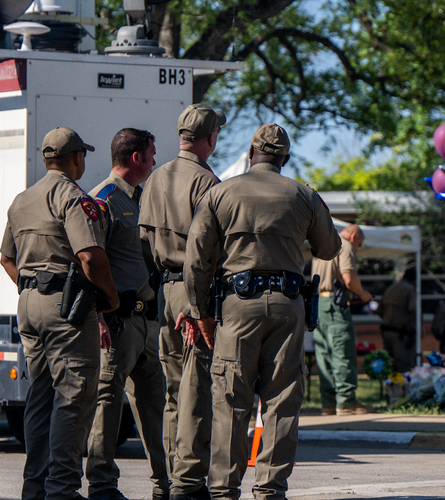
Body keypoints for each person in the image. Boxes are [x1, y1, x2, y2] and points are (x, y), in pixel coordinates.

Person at [182, 123, 341, 499]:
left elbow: (196, 261)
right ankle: (270, 491)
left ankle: (223, 491)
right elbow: (329, 248)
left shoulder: (220, 192)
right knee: (282, 402)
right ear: (284, 158)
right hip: (288, 305)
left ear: (251, 153)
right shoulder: (304, 194)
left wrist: (200, 311)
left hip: (238, 305)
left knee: (231, 401)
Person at [0, 127, 119, 500]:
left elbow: (6, 259)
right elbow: (89, 256)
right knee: (75, 395)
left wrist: (35, 288)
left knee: (41, 396)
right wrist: (109, 298)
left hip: (29, 304)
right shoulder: (71, 196)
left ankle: (35, 486)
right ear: (76, 158)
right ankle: (62, 489)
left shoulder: (22, 199)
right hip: (65, 308)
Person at [138, 103, 225, 500]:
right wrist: (198, 305)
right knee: (196, 389)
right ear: (209, 139)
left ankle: (172, 479)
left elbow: (141, 241)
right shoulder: (206, 181)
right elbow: (206, 250)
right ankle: (189, 483)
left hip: (165, 289)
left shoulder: (155, 177)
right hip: (194, 292)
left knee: (174, 390)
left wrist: (162, 289)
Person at [85, 129, 168, 500]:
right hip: (117, 324)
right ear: (136, 157)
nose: (154, 159)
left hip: (147, 321)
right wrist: (99, 315)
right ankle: (102, 485)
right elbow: (86, 259)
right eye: (151, 153)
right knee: (108, 404)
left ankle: (166, 484)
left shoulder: (140, 199)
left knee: (156, 405)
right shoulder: (103, 200)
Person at [312, 224, 374, 416]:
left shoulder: (323, 246)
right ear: (353, 236)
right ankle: (346, 402)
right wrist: (363, 294)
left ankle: (328, 403)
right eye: (360, 244)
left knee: (324, 355)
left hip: (319, 304)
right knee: (342, 351)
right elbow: (349, 279)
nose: (359, 248)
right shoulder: (344, 246)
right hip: (336, 305)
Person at [377, 267, 418, 373]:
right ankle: (403, 389)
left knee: (389, 364)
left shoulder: (390, 289)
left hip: (387, 332)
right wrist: (416, 327)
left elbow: (379, 310)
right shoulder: (410, 290)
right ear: (414, 280)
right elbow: (413, 309)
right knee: (404, 365)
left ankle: (391, 388)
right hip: (402, 334)